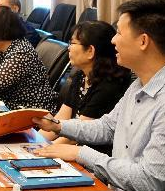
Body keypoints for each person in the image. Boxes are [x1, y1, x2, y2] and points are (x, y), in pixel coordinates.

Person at [35, 0, 165, 191]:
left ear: (143, 41)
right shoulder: (140, 84)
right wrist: (57, 126)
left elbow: (148, 180)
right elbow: (107, 127)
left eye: (119, 32)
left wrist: (79, 153)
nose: (113, 40)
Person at [39, 21, 132, 151]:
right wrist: (35, 141)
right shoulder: (81, 76)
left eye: (72, 43)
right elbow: (62, 117)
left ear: (90, 51)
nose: (69, 48)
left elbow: (78, 135)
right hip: (74, 146)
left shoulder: (109, 85)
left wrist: (43, 150)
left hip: (93, 152)